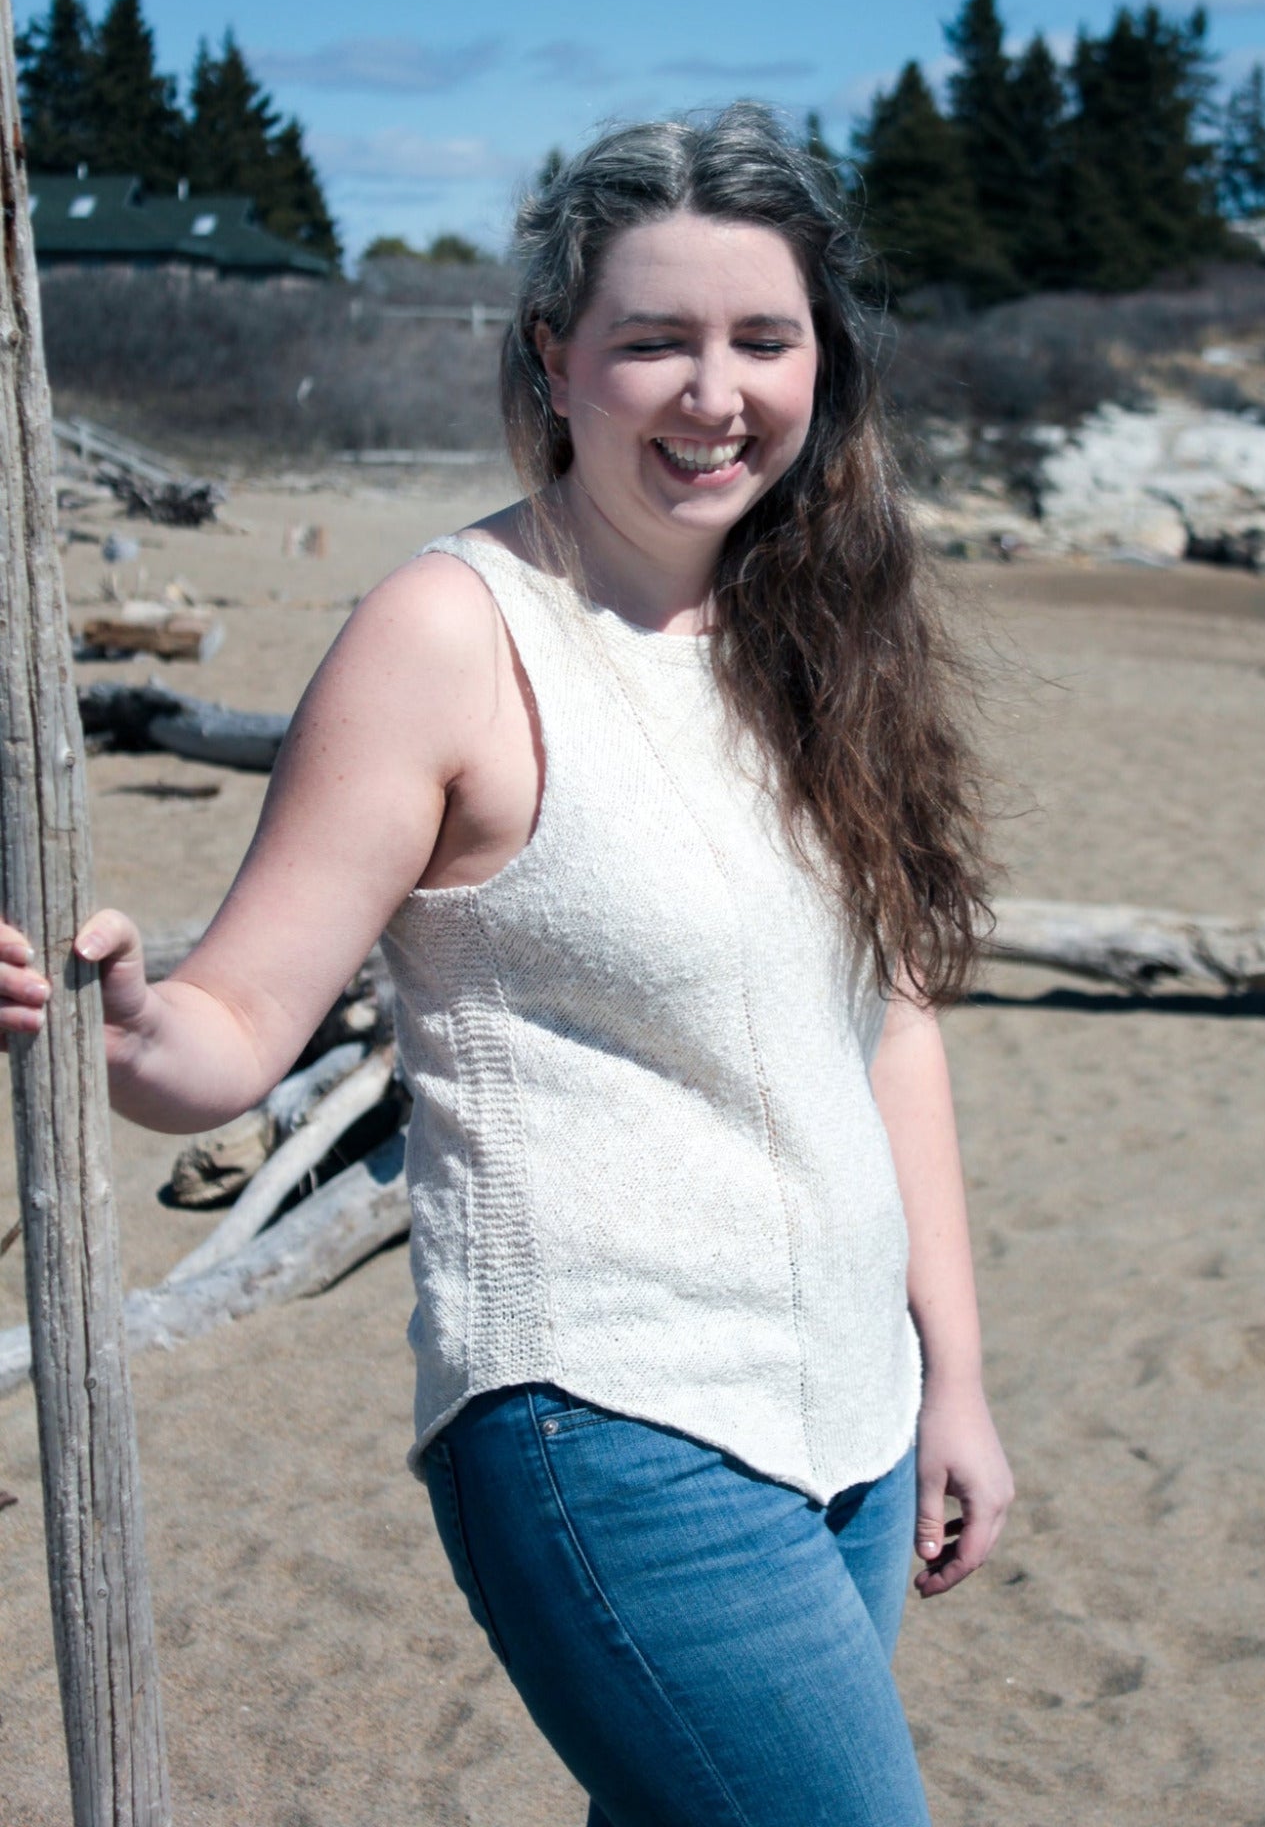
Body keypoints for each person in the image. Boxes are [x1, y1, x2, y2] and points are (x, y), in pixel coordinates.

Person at [1, 104, 1012, 1826]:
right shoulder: (451, 631)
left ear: (820, 362)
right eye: (653, 341)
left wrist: (956, 1384)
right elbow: (231, 1031)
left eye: (762, 339)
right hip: (604, 1425)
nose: (715, 393)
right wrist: (123, 1015)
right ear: (555, 359)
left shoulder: (815, 624)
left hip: (854, 1423)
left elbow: (888, 1029)